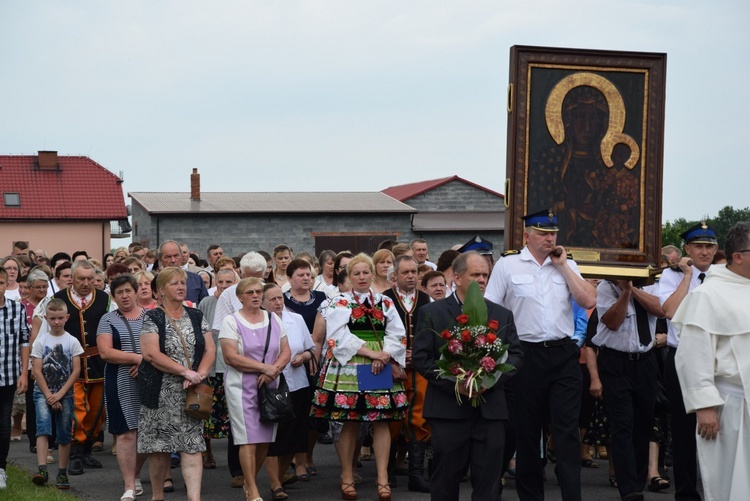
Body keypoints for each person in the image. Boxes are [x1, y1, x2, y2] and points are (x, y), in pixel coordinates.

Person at [484, 209, 597, 501]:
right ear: (527, 235)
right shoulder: (508, 265)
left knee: (567, 431)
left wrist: (563, 267)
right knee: (528, 432)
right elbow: (490, 312)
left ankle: (572, 495)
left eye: (553, 233)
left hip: (563, 354)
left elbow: (588, 299)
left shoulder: (566, 264)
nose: (550, 238)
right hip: (525, 355)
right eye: (543, 233)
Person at [413, 251, 523, 501]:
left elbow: (516, 356)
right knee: (445, 480)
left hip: (490, 411)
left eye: (485, 274)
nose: (482, 280)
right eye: (476, 275)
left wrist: (490, 380)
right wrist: (456, 384)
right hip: (448, 410)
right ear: (457, 277)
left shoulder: (501, 314)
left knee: (489, 482)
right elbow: (422, 358)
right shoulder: (433, 312)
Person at [310, 253, 408, 501]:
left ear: (373, 274)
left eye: (366, 272)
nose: (362, 277)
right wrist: (373, 353)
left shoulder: (384, 301)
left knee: (381, 420)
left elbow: (398, 332)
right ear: (348, 277)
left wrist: (384, 355)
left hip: (378, 362)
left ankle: (382, 478)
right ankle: (346, 475)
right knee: (350, 420)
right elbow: (337, 336)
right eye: (356, 273)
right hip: (352, 363)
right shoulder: (339, 301)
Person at [674, 221, 750, 501]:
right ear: (738, 256)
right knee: (732, 485)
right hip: (732, 407)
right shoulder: (707, 295)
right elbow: (692, 355)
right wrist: (704, 405)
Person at [137, 266, 215, 501]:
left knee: (192, 446)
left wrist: (199, 374)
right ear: (160, 291)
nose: (181, 287)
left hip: (191, 394)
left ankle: (194, 498)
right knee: (159, 449)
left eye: (183, 283)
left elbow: (210, 349)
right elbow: (151, 354)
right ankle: (158, 496)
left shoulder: (196, 315)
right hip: (160, 393)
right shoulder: (152, 317)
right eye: (174, 283)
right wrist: (185, 372)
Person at [659, 221, 718, 501]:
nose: (704, 252)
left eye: (709, 246)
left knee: (718, 427)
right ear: (687, 249)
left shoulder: (724, 276)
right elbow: (669, 311)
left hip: (716, 360)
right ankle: (686, 493)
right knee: (683, 431)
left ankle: (718, 491)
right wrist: (686, 276)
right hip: (682, 357)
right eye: (698, 246)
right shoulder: (672, 276)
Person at [219, 277, 291, 501]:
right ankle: (252, 489)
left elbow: (286, 351)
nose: (255, 295)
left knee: (264, 439)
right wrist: (265, 368)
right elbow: (230, 357)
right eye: (249, 292)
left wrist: (274, 370)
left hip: (270, 385)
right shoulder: (231, 321)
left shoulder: (273, 319)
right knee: (247, 438)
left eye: (258, 291)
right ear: (239, 297)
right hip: (241, 387)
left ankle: (250, 483)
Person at [592, 279, 664, 501]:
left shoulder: (651, 284)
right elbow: (613, 322)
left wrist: (632, 288)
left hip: (645, 361)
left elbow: (660, 310)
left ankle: (639, 481)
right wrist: (624, 293)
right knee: (622, 424)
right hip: (616, 362)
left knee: (643, 424)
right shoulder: (605, 287)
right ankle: (628, 488)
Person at [53, 259, 112, 475]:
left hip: (97, 362)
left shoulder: (105, 299)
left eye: (90, 279)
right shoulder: (58, 299)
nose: (86, 283)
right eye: (81, 279)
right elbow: (46, 330)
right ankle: (75, 455)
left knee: (95, 411)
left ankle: (87, 449)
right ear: (72, 279)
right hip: (70, 364)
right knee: (76, 409)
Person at [383, 255, 432, 492]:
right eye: (406, 272)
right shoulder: (384, 299)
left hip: (419, 368)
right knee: (390, 418)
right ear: (395, 276)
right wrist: (399, 355)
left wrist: (419, 354)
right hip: (391, 368)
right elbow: (377, 335)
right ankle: (387, 472)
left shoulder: (427, 298)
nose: (411, 276)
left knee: (419, 418)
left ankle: (416, 475)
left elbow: (432, 332)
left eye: (414, 272)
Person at [261, 283, 315, 500]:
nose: (278, 302)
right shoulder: (259, 323)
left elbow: (311, 349)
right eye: (272, 299)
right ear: (263, 303)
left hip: (298, 385)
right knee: (274, 437)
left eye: (280, 298)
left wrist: (303, 357)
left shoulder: (297, 319)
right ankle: (275, 485)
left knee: (294, 437)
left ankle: (280, 477)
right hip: (271, 387)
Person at [97, 274, 148, 500]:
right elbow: (106, 352)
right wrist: (137, 359)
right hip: (120, 380)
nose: (125, 295)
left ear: (136, 291)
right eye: (120, 292)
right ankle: (129, 485)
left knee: (148, 433)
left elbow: (164, 348)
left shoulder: (152, 317)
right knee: (126, 434)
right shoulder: (107, 319)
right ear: (114, 296)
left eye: (128, 290)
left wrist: (146, 363)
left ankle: (135, 474)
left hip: (150, 380)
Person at [30, 299, 81, 490]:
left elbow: (75, 371)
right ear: (46, 318)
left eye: (60, 318)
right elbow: (36, 371)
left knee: (64, 432)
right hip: (42, 392)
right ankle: (42, 469)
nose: (57, 322)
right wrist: (49, 395)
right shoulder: (41, 342)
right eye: (53, 318)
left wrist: (59, 394)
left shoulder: (72, 341)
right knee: (43, 428)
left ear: (66, 317)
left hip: (65, 393)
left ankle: (62, 472)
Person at [198, 268, 237, 470]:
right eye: (220, 282)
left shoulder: (237, 301)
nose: (223, 286)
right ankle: (206, 452)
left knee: (232, 414)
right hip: (211, 366)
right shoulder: (206, 303)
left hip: (232, 366)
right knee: (207, 412)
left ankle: (236, 460)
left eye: (228, 282)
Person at [0, 266, 31, 490]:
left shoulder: (16, 308)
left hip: (8, 375)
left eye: (1, 282)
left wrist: (23, 373)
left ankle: (0, 468)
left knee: (4, 425)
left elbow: (23, 341)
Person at [157, 240, 208, 305]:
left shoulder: (196, 279)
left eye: (176, 256)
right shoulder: (154, 282)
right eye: (168, 257)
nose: (173, 260)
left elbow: (205, 306)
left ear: (181, 256)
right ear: (160, 259)